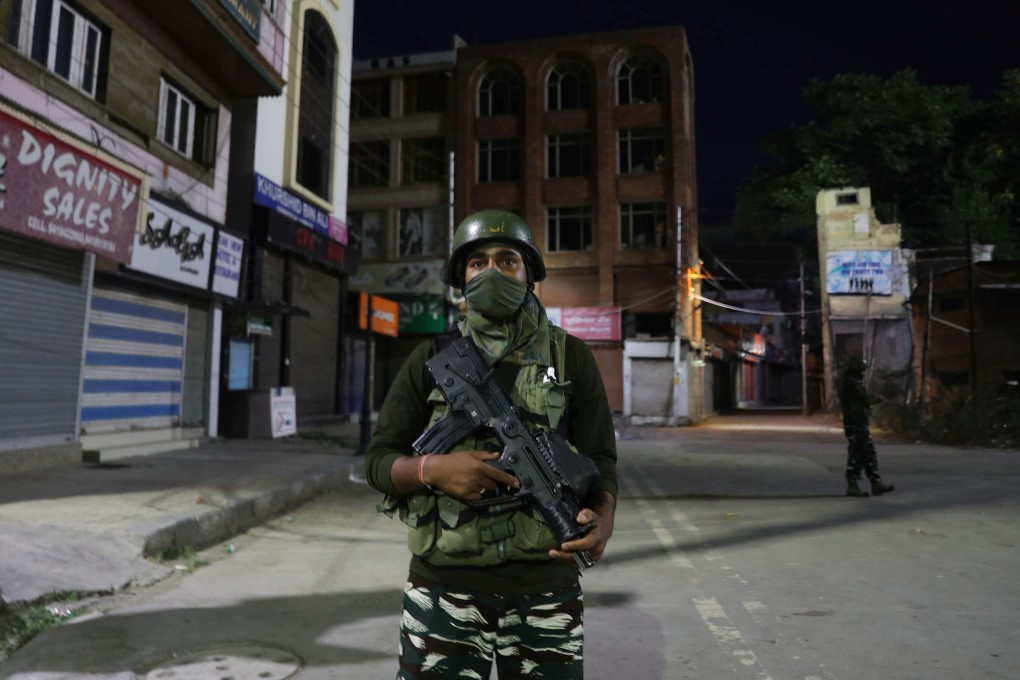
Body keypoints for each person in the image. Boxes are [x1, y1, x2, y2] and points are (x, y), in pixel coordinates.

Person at [365, 209, 618, 679]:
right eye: (478, 262)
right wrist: (431, 471)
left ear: (530, 275)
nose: (492, 272)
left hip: (547, 588)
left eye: (508, 261)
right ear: (462, 277)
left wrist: (603, 517)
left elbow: (601, 457)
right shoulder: (431, 357)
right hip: (443, 589)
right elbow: (378, 461)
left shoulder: (570, 357)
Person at [838, 356, 895, 497]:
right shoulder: (850, 383)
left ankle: (876, 483)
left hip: (860, 422)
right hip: (854, 423)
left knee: (869, 453)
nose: (863, 373)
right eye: (861, 370)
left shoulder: (853, 382)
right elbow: (864, 398)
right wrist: (878, 398)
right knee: (856, 454)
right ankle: (853, 484)